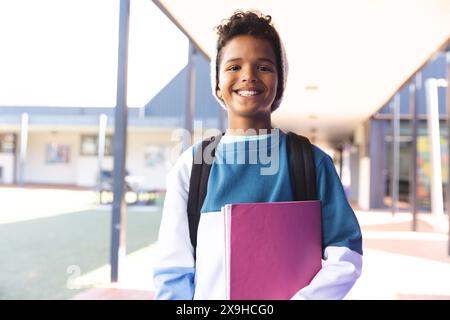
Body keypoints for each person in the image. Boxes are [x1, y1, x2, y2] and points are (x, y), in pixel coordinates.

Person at [153, 10, 363, 300]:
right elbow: (172, 272)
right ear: (217, 83)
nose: (248, 76)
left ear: (280, 83)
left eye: (264, 67)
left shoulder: (312, 163)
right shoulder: (193, 166)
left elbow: (346, 255)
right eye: (234, 67)